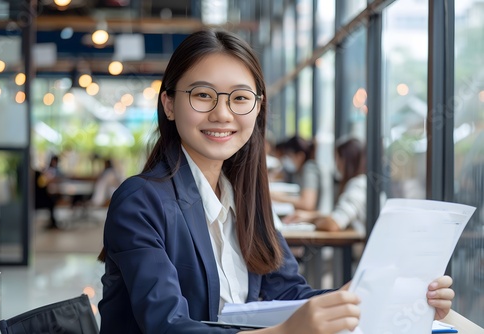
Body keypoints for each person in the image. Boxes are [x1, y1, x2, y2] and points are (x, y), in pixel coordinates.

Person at [97, 29, 454, 334]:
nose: (222, 113)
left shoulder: (245, 197)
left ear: (257, 108)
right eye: (203, 95)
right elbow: (167, 326)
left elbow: (287, 293)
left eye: (240, 98)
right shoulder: (140, 200)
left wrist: (370, 297)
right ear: (170, 104)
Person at [284, 137, 371, 236]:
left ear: (346, 161)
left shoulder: (358, 186)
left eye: (337, 159)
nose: (336, 164)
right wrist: (309, 217)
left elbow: (333, 223)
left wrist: (312, 220)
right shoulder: (361, 183)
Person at [270, 136, 321, 211]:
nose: (287, 159)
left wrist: (276, 197)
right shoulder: (299, 171)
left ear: (300, 156)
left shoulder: (309, 169)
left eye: (290, 156)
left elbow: (307, 204)